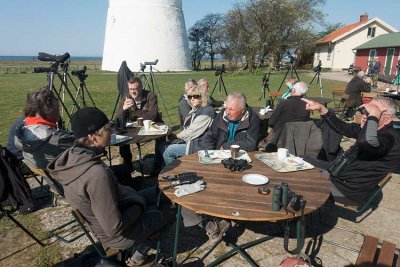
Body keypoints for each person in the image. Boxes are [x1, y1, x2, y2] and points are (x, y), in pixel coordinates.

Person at [47, 107, 175, 266]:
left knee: (163, 193)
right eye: (108, 128)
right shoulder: (96, 175)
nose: (112, 131)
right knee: (171, 210)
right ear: (93, 137)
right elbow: (115, 228)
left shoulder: (73, 157)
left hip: (119, 206)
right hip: (119, 235)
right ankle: (138, 255)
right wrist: (139, 205)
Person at [301, 97, 400, 204]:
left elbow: (366, 141)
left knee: (294, 177)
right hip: (337, 174)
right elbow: (345, 128)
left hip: (345, 189)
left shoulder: (390, 139)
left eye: (372, 113)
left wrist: (374, 113)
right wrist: (322, 109)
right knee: (297, 160)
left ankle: (295, 216)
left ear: (388, 118)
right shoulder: (375, 129)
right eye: (364, 111)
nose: (365, 116)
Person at [14, 87, 75, 169]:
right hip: (61, 173)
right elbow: (84, 148)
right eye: (57, 109)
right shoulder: (55, 138)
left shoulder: (22, 128)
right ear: (48, 111)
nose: (59, 113)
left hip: (39, 166)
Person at [116, 77, 163, 171]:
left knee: (161, 138)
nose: (132, 92)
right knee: (122, 137)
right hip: (135, 127)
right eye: (130, 89)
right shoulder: (126, 98)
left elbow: (152, 116)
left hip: (154, 125)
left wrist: (135, 109)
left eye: (135, 89)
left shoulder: (151, 96)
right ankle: (128, 166)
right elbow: (117, 120)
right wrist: (123, 109)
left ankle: (157, 166)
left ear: (141, 87)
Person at [163, 86, 215, 165]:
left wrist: (176, 136)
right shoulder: (197, 109)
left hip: (201, 146)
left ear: (203, 97)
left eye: (196, 96)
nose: (192, 99)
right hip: (194, 141)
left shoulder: (207, 112)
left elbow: (191, 132)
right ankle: (162, 169)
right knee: (162, 145)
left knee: (169, 151)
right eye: (190, 97)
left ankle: (176, 174)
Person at [265, 82, 310, 150]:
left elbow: (271, 122)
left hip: (281, 137)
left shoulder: (284, 103)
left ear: (293, 90)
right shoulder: (307, 105)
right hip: (300, 136)